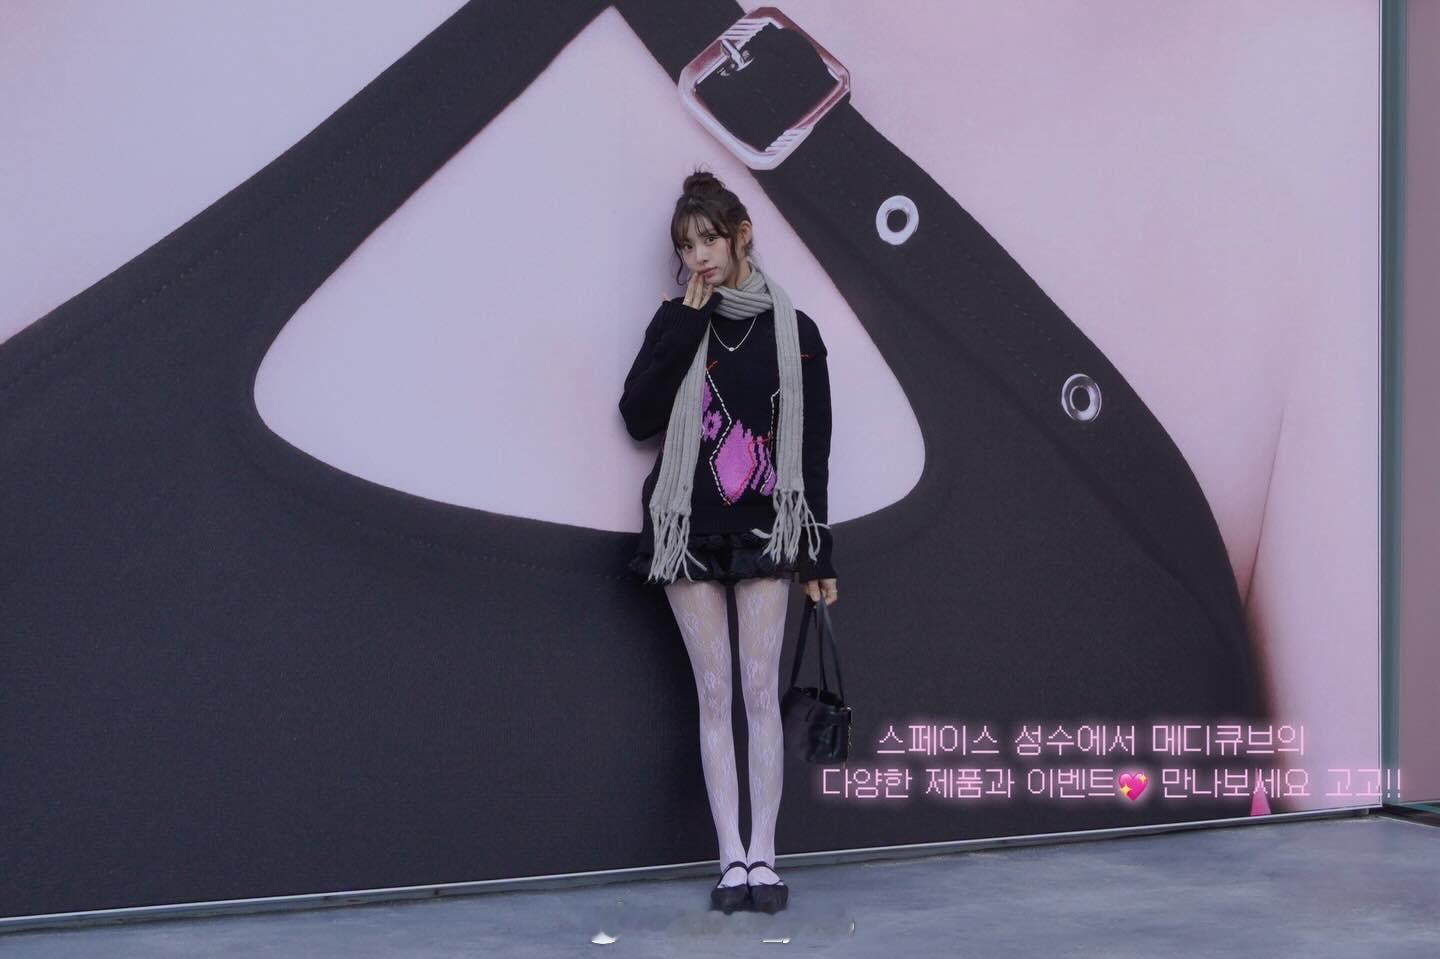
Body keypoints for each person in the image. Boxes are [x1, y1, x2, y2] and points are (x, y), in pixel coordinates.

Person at [618, 170, 838, 913]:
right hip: (685, 530)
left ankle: (766, 857)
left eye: (709, 239)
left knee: (758, 692)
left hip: (766, 531)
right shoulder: (675, 321)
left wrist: (819, 555)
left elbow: (812, 453)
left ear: (743, 235)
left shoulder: (795, 331)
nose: (699, 257)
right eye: (687, 246)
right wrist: (685, 326)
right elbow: (638, 418)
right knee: (713, 694)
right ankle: (730, 860)